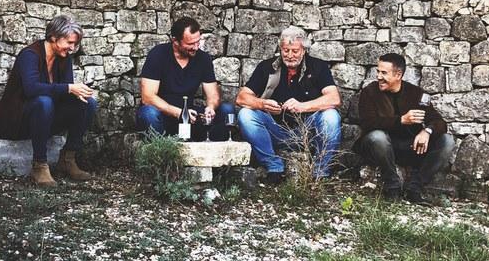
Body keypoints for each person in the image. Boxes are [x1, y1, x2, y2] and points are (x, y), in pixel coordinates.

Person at [0, 14, 98, 187]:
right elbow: (31, 88)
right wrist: (69, 88)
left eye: (74, 44)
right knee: (43, 101)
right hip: (18, 121)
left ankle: (68, 158)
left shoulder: (64, 58)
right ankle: (39, 165)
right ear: (54, 37)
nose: (72, 48)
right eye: (69, 43)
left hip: (46, 119)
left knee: (88, 103)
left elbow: (64, 91)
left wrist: (77, 93)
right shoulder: (30, 55)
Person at [235, 26, 342, 183]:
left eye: (295, 51)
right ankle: (274, 167)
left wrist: (303, 106)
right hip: (275, 131)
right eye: (286, 50)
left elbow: (334, 99)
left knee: (331, 116)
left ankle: (321, 172)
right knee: (245, 114)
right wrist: (262, 103)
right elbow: (241, 98)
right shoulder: (267, 67)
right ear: (280, 49)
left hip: (309, 132)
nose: (290, 55)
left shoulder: (318, 67)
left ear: (304, 50)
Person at [355, 52, 456, 203]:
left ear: (398, 75)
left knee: (447, 141)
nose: (378, 77)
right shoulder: (370, 92)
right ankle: (392, 187)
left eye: (384, 73)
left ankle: (415, 188)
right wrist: (400, 120)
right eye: (378, 71)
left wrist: (427, 131)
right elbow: (368, 123)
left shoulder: (416, 93)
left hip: (410, 147)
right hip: (380, 148)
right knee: (377, 136)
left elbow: (439, 122)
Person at [136, 16, 233, 140]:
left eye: (198, 42)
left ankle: (213, 153)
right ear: (175, 41)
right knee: (148, 113)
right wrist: (179, 113)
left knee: (227, 110)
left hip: (190, 118)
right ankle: (161, 154)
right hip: (163, 116)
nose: (196, 47)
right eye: (191, 44)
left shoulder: (203, 59)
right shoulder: (158, 55)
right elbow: (148, 97)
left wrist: (210, 107)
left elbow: (213, 95)